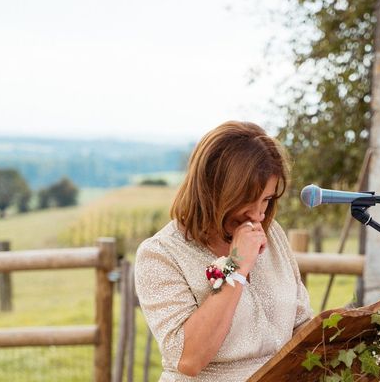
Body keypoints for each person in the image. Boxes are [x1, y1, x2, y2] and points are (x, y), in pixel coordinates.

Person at [134, 121, 312, 381]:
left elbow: (301, 325)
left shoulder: (273, 235)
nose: (259, 214)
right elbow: (189, 359)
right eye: (247, 201)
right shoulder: (160, 254)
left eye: (267, 199)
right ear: (211, 192)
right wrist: (237, 266)